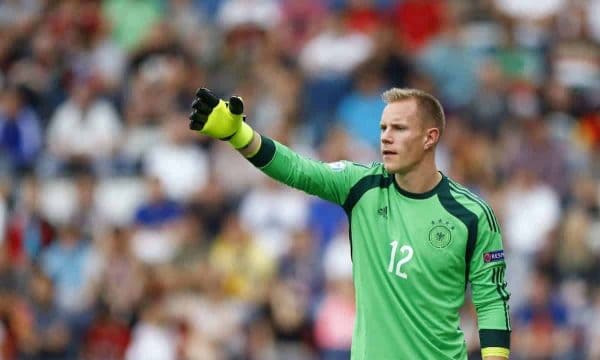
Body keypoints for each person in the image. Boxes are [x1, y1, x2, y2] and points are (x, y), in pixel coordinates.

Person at [188, 87, 511, 359]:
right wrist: (239, 134)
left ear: (430, 137)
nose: (386, 137)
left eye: (399, 128)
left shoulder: (471, 214)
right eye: (383, 128)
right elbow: (297, 169)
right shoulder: (362, 185)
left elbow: (491, 300)